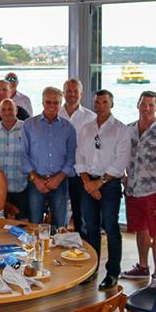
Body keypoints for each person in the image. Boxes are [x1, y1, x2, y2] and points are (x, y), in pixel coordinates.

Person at [75, 89, 131, 290]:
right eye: (97, 102)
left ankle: (112, 273)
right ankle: (91, 271)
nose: (100, 106)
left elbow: (121, 161)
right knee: (90, 229)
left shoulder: (122, 130)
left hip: (110, 185)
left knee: (111, 228)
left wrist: (99, 183)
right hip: (87, 183)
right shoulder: (85, 128)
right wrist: (87, 182)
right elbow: (79, 155)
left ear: (111, 105)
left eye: (104, 102)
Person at [121, 91, 156, 288]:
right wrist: (122, 177)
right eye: (144, 104)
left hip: (155, 193)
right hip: (133, 190)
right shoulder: (128, 130)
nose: (147, 108)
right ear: (138, 105)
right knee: (140, 230)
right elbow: (120, 156)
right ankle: (143, 267)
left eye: (151, 105)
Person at [21, 87, 77, 228]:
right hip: (36, 182)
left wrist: (58, 178)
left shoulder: (69, 128)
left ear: (61, 103)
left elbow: (71, 157)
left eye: (56, 102)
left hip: (60, 182)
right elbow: (23, 154)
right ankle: (36, 250)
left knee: (60, 225)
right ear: (42, 102)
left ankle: (58, 250)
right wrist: (36, 179)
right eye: (48, 102)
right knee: (35, 224)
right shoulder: (28, 125)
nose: (52, 106)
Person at [60, 78, 96, 238]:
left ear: (81, 94)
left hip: (80, 172)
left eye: (75, 91)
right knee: (58, 213)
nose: (72, 94)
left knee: (80, 214)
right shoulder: (55, 113)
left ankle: (82, 250)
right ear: (63, 93)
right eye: (69, 90)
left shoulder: (91, 117)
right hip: (58, 172)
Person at [0, 99, 29, 216]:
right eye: (3, 109)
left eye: (10, 109)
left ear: (16, 111)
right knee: (0, 224)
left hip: (21, 184)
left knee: (22, 223)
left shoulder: (26, 128)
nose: (7, 112)